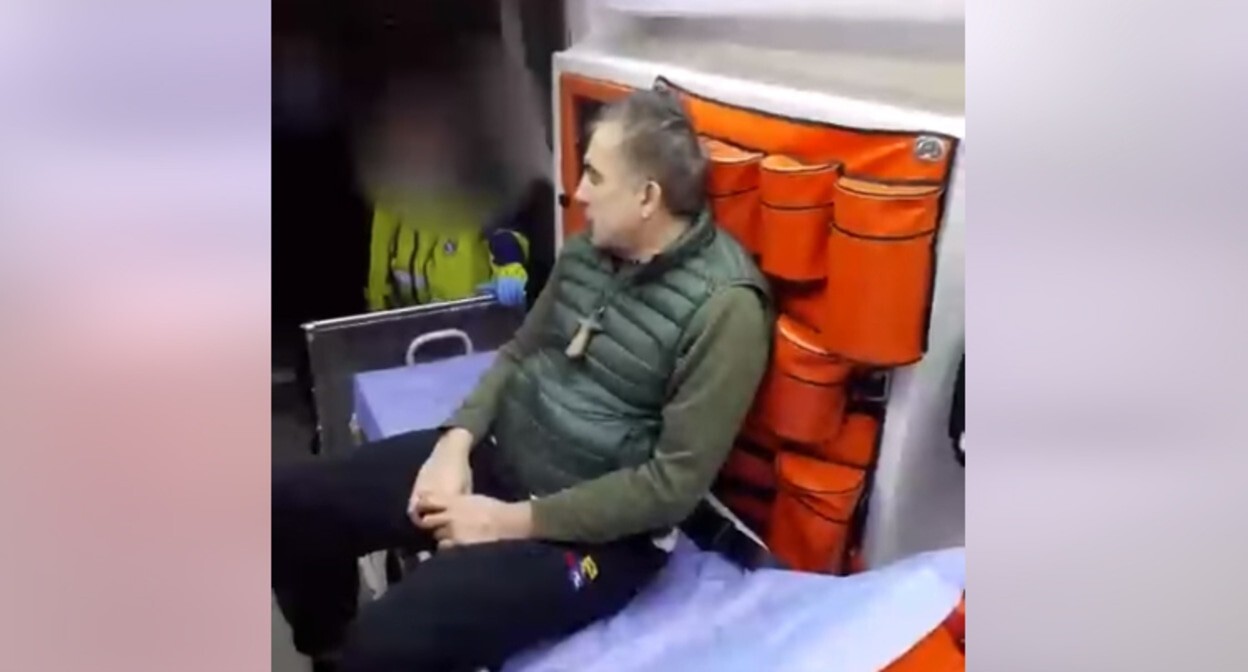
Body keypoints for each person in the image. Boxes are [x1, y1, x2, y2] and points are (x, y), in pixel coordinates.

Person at [273, 89, 772, 672]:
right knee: (291, 504)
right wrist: (454, 443)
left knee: (385, 645)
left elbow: (672, 487)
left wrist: (504, 522)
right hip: (501, 457)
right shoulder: (588, 252)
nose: (578, 192)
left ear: (647, 197)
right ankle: (326, 647)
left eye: (594, 175)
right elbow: (518, 351)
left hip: (596, 540)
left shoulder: (727, 309)